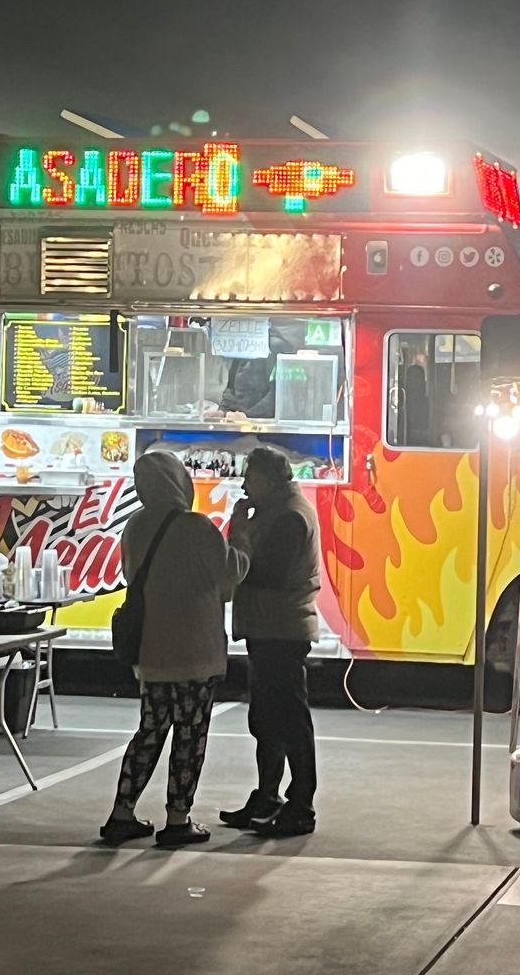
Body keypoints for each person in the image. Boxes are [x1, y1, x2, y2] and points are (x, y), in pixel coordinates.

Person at [102, 450, 248, 848]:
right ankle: (178, 820)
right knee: (190, 734)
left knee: (150, 730)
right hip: (195, 653)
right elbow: (229, 578)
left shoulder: (134, 526)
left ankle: (121, 813)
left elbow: (131, 575)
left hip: (152, 651)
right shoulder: (197, 527)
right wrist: (240, 536)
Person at [221, 445, 322, 838]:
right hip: (268, 627)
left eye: (250, 477)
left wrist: (240, 534)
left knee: (289, 719)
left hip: (282, 629)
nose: (244, 484)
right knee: (266, 718)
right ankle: (268, 796)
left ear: (267, 479)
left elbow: (262, 573)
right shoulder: (276, 511)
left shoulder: (289, 518)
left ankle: (301, 805)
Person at [219, 326, 293, 419]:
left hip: (265, 425)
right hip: (241, 420)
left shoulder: (275, 346)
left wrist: (248, 416)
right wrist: (223, 411)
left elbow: (279, 393)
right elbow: (231, 386)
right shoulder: (241, 344)